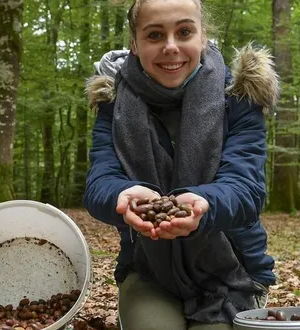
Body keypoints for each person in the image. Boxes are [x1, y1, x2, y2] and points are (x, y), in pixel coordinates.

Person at [83, 0, 279, 329]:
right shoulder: (113, 104)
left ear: (203, 37)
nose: (171, 47)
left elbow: (246, 190)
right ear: (135, 43)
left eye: (184, 32)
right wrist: (124, 195)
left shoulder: (240, 97)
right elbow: (99, 183)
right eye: (155, 35)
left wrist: (204, 204)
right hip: (149, 271)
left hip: (232, 276)